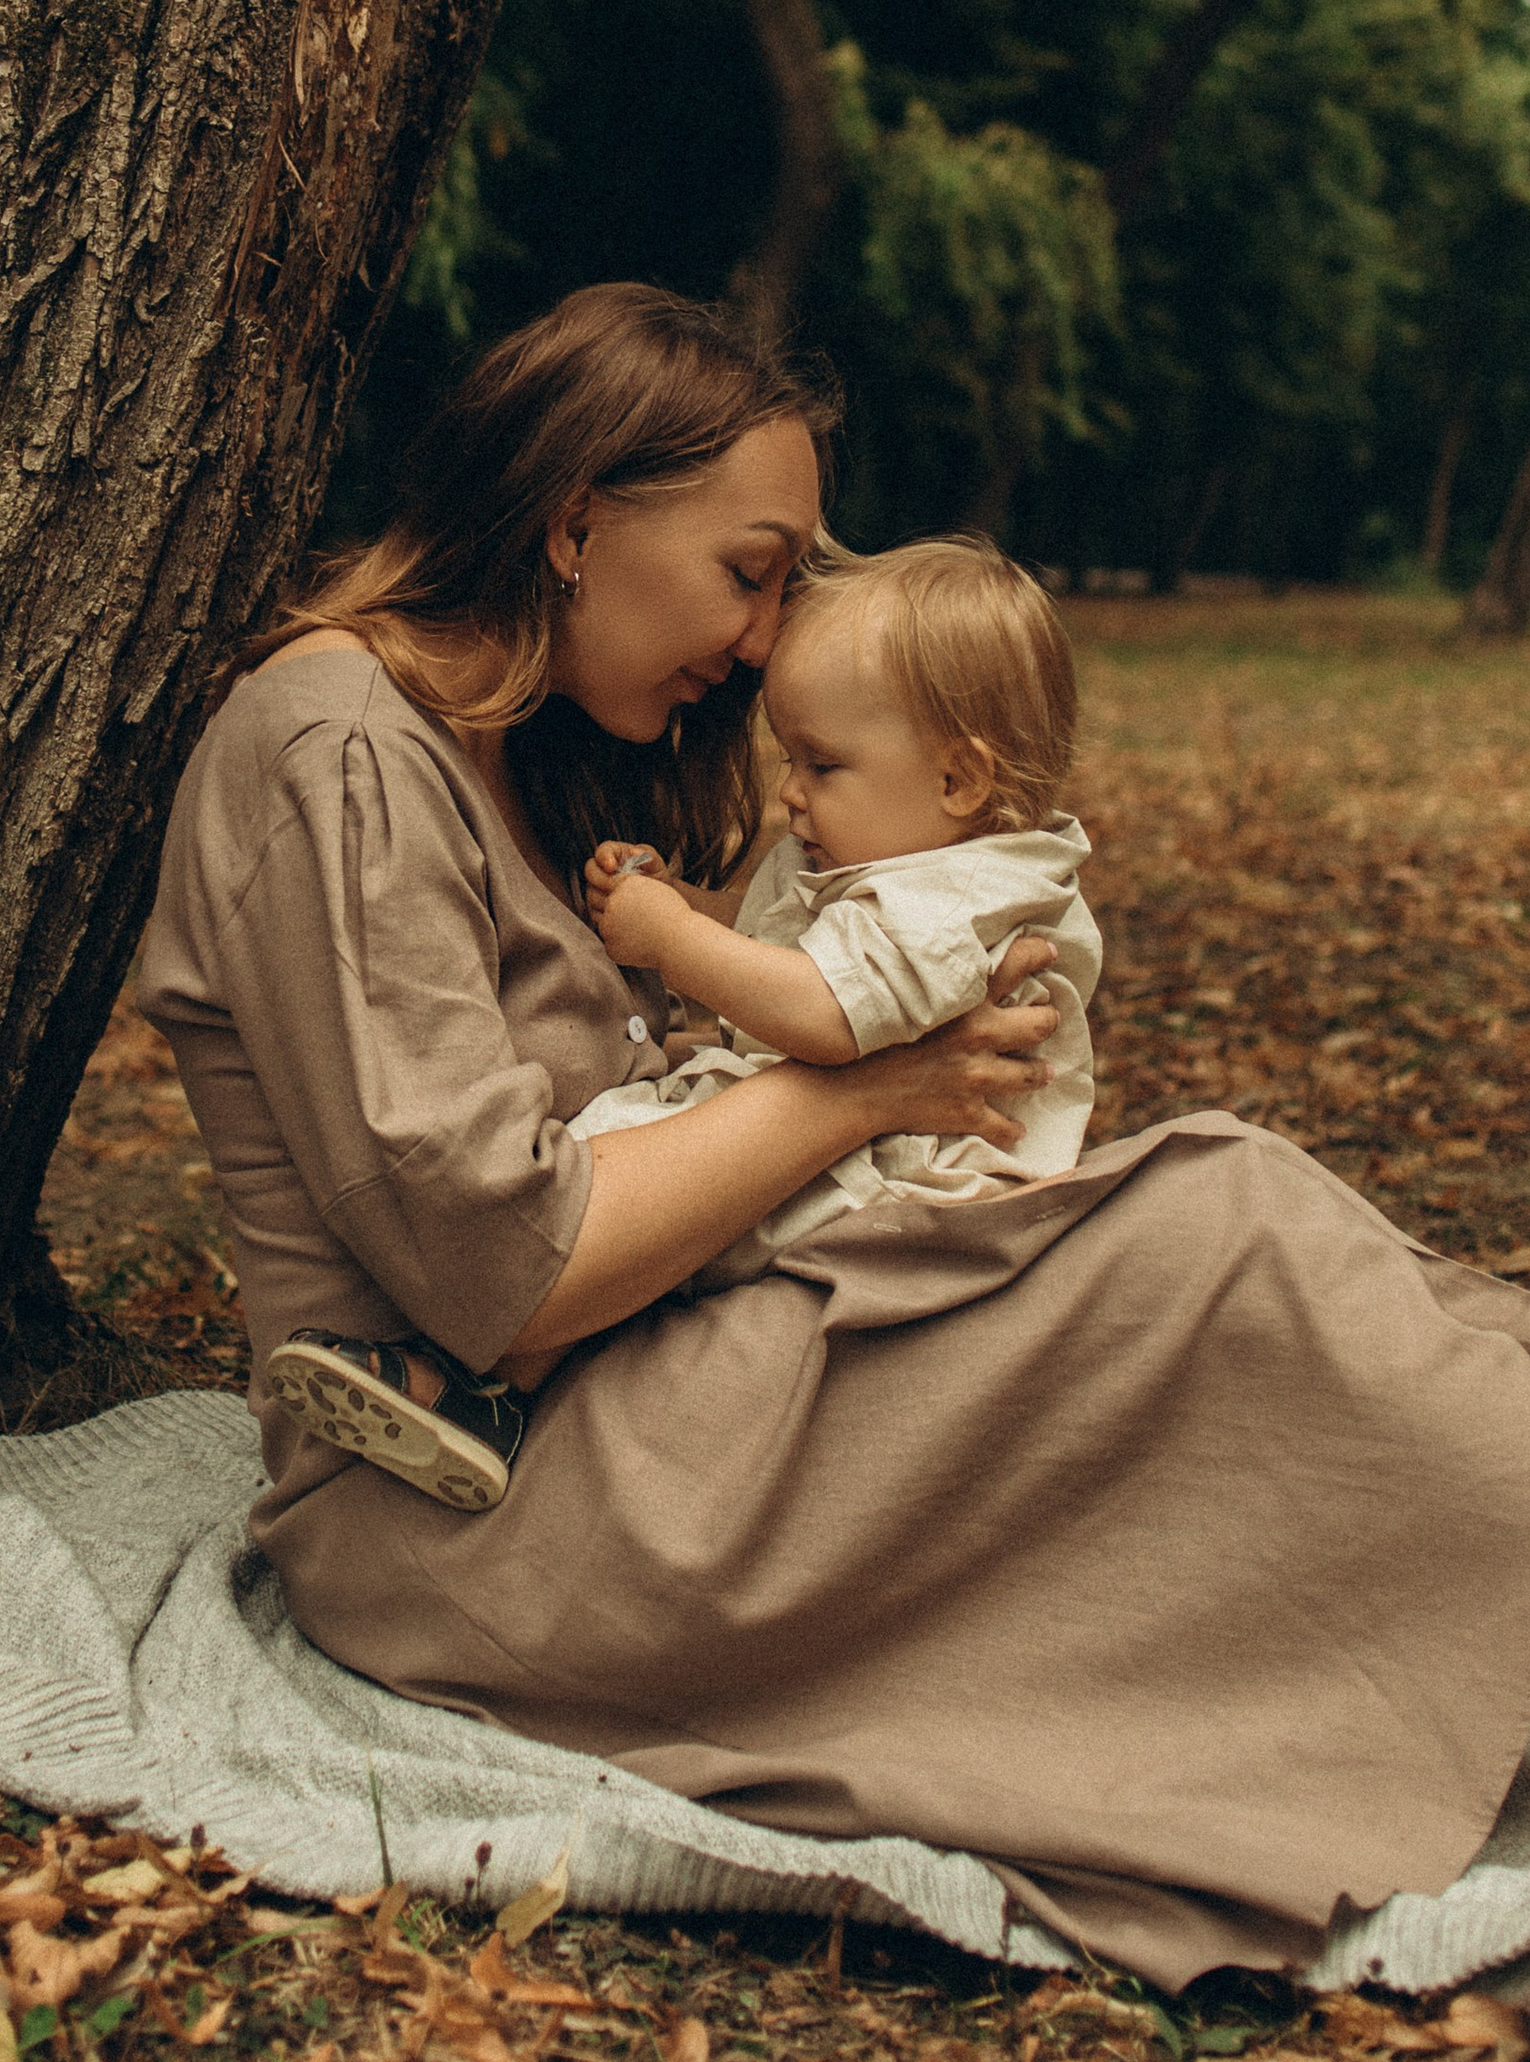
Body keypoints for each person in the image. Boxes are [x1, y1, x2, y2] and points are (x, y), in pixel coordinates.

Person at [133, 280, 1530, 1988]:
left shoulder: (526, 754)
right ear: (578, 521)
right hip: (483, 1502)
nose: (757, 640)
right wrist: (867, 1091)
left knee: (1252, 1216)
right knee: (1213, 1248)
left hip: (661, 1395)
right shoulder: (333, 740)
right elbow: (506, 1270)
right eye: (750, 572)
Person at [266, 533, 1101, 1503]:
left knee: (616, 1178)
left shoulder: (959, 897)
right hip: (862, 1154)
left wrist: (671, 939)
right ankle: (490, 1390)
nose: (789, 789)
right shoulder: (903, 849)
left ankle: (471, 1384)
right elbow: (801, 963)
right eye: (788, 755)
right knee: (632, 1171)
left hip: (903, 1199)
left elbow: (828, 1016)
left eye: (822, 764)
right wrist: (699, 911)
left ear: (958, 778)